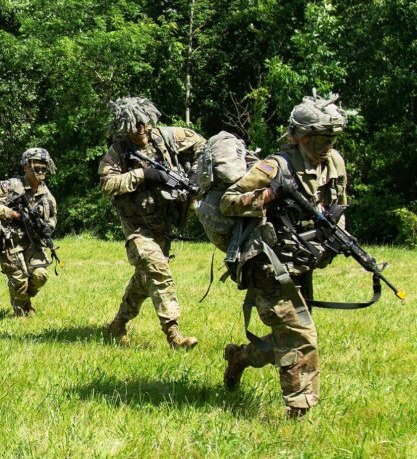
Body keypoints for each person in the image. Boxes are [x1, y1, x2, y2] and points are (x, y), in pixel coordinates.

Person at [219, 91, 348, 418]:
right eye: (320, 138)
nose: (327, 145)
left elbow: (339, 206)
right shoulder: (275, 166)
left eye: (331, 138)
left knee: (287, 339)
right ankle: (298, 412)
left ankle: (240, 357)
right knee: (300, 338)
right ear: (300, 136)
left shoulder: (334, 164)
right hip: (267, 264)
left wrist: (336, 239)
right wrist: (268, 195)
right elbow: (228, 202)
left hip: (302, 262)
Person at [99, 96, 204, 349]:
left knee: (145, 279)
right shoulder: (118, 152)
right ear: (124, 126)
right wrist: (143, 175)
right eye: (134, 124)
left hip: (163, 225)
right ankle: (174, 334)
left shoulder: (167, 137)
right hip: (137, 228)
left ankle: (118, 324)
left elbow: (202, 144)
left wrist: (195, 175)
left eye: (144, 122)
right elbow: (107, 184)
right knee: (158, 271)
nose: (141, 128)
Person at [0, 148, 57, 317]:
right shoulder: (10, 185)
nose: (41, 171)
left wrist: (49, 226)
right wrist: (13, 214)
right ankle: (19, 311)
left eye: (44, 168)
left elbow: (53, 216)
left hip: (34, 242)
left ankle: (25, 301)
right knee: (19, 279)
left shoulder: (46, 192)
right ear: (25, 167)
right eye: (36, 167)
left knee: (40, 275)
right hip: (12, 241)